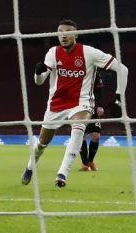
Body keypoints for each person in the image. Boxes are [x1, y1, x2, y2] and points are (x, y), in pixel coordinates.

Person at [22, 20, 127, 188]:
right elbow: (40, 81)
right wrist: (37, 73)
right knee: (42, 142)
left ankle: (62, 173)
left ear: (76, 34)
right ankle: (29, 167)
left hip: (81, 103)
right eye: (60, 31)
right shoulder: (52, 53)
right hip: (56, 104)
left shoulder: (89, 53)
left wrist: (118, 98)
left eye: (68, 31)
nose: (63, 35)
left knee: (78, 129)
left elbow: (123, 69)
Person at [80, 72, 110, 171]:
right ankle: (85, 164)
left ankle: (90, 161)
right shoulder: (76, 72)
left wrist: (100, 105)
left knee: (96, 136)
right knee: (81, 135)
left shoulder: (95, 73)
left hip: (93, 107)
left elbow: (99, 90)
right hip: (79, 108)